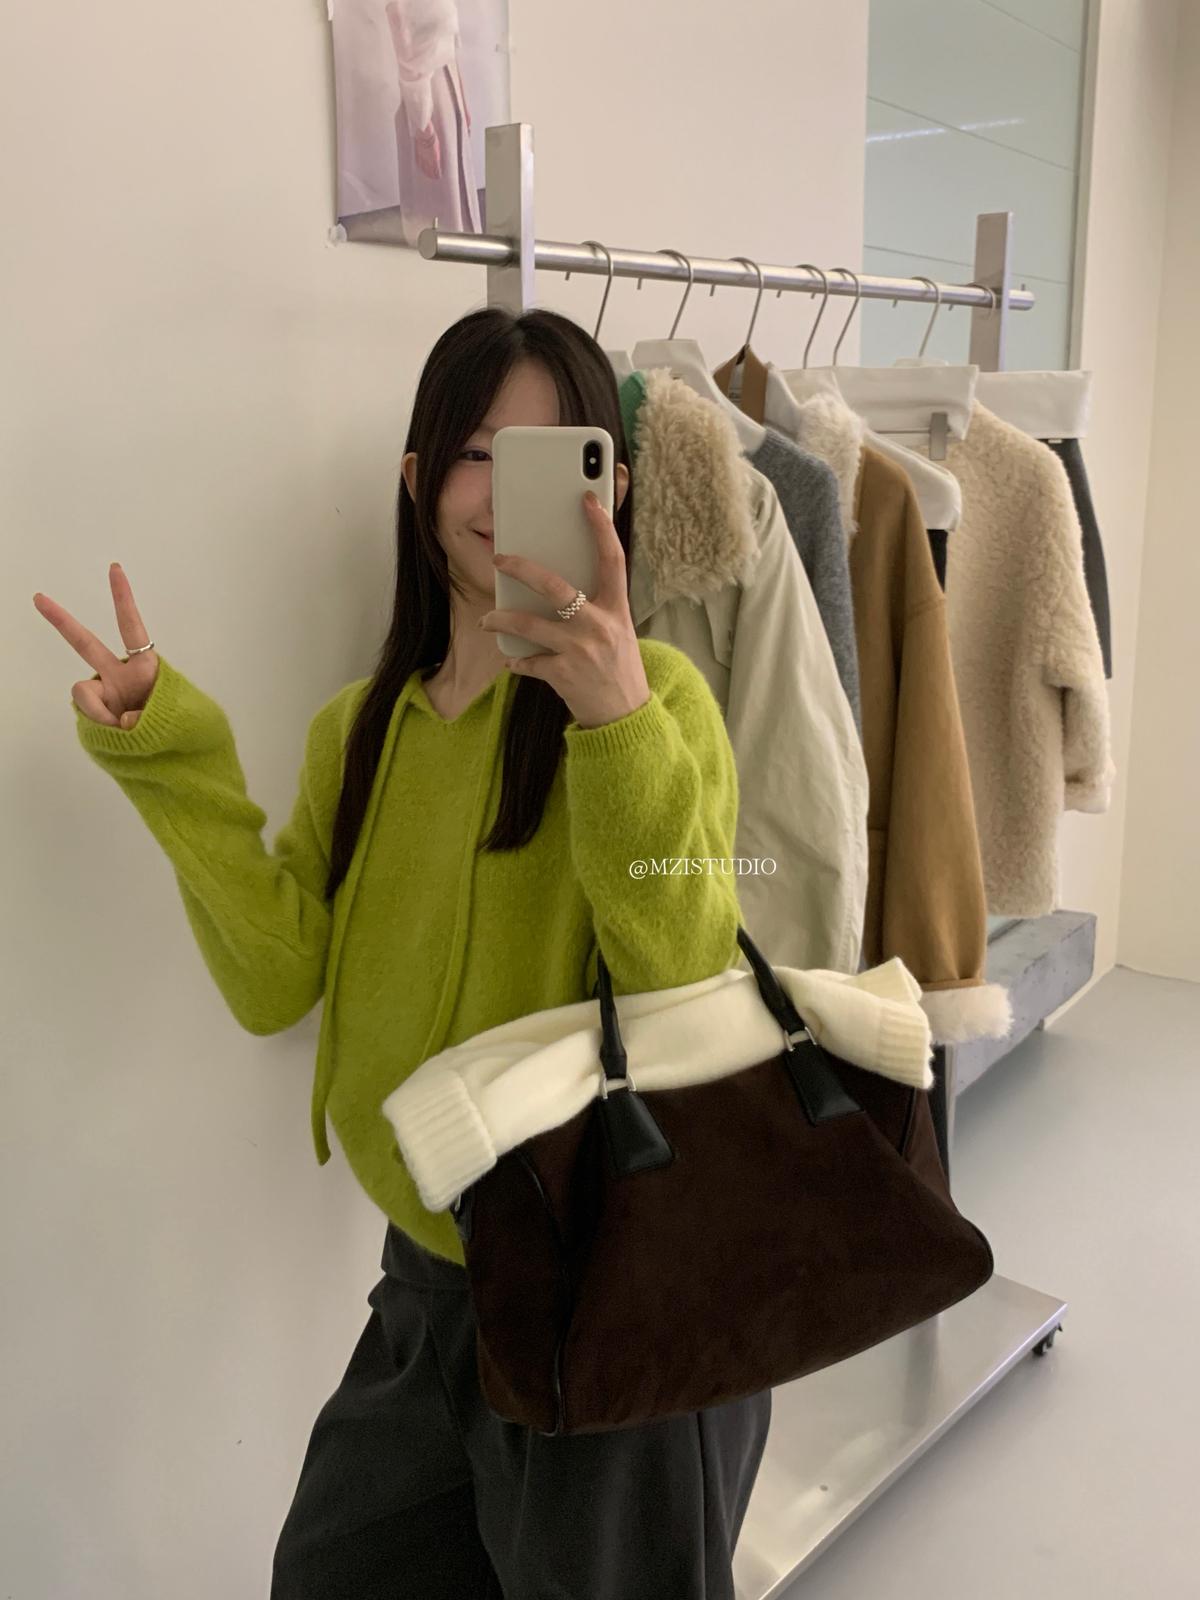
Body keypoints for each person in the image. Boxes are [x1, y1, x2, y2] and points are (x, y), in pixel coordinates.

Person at [33, 308, 772, 1598]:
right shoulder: (360, 728)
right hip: (428, 1284)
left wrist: (611, 720)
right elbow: (275, 981)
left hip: (603, 1283)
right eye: (479, 451)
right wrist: (172, 759)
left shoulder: (661, 702)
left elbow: (682, 982)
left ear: (611, 489)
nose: (503, 492)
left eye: (554, 453)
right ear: (419, 479)